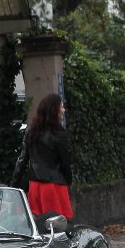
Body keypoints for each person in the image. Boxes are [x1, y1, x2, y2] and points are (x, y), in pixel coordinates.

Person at [23, 92, 75, 220]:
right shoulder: (59, 134)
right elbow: (65, 162)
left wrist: (13, 185)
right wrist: (68, 181)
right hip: (54, 186)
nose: (63, 110)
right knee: (59, 224)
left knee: (37, 223)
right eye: (61, 107)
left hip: (35, 186)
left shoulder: (31, 133)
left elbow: (22, 160)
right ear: (54, 110)